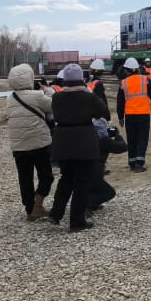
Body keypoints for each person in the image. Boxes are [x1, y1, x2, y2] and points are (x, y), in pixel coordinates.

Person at [47, 62, 107, 232]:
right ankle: (77, 221)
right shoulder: (88, 97)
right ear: (81, 79)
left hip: (62, 142)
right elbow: (102, 112)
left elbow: (55, 114)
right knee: (82, 182)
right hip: (84, 143)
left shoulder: (57, 98)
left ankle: (56, 213)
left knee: (66, 178)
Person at [5, 63, 55, 222]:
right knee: (46, 176)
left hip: (19, 145)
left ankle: (29, 209)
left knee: (25, 178)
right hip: (39, 143)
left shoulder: (10, 98)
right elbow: (53, 106)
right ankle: (37, 206)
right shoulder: (38, 96)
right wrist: (47, 90)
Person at [116, 57, 151, 172]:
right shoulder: (146, 80)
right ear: (137, 69)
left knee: (131, 139)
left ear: (126, 70)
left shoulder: (123, 83)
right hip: (143, 114)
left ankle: (132, 163)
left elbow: (120, 102)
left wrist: (120, 117)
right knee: (142, 138)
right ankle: (139, 163)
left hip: (129, 115)